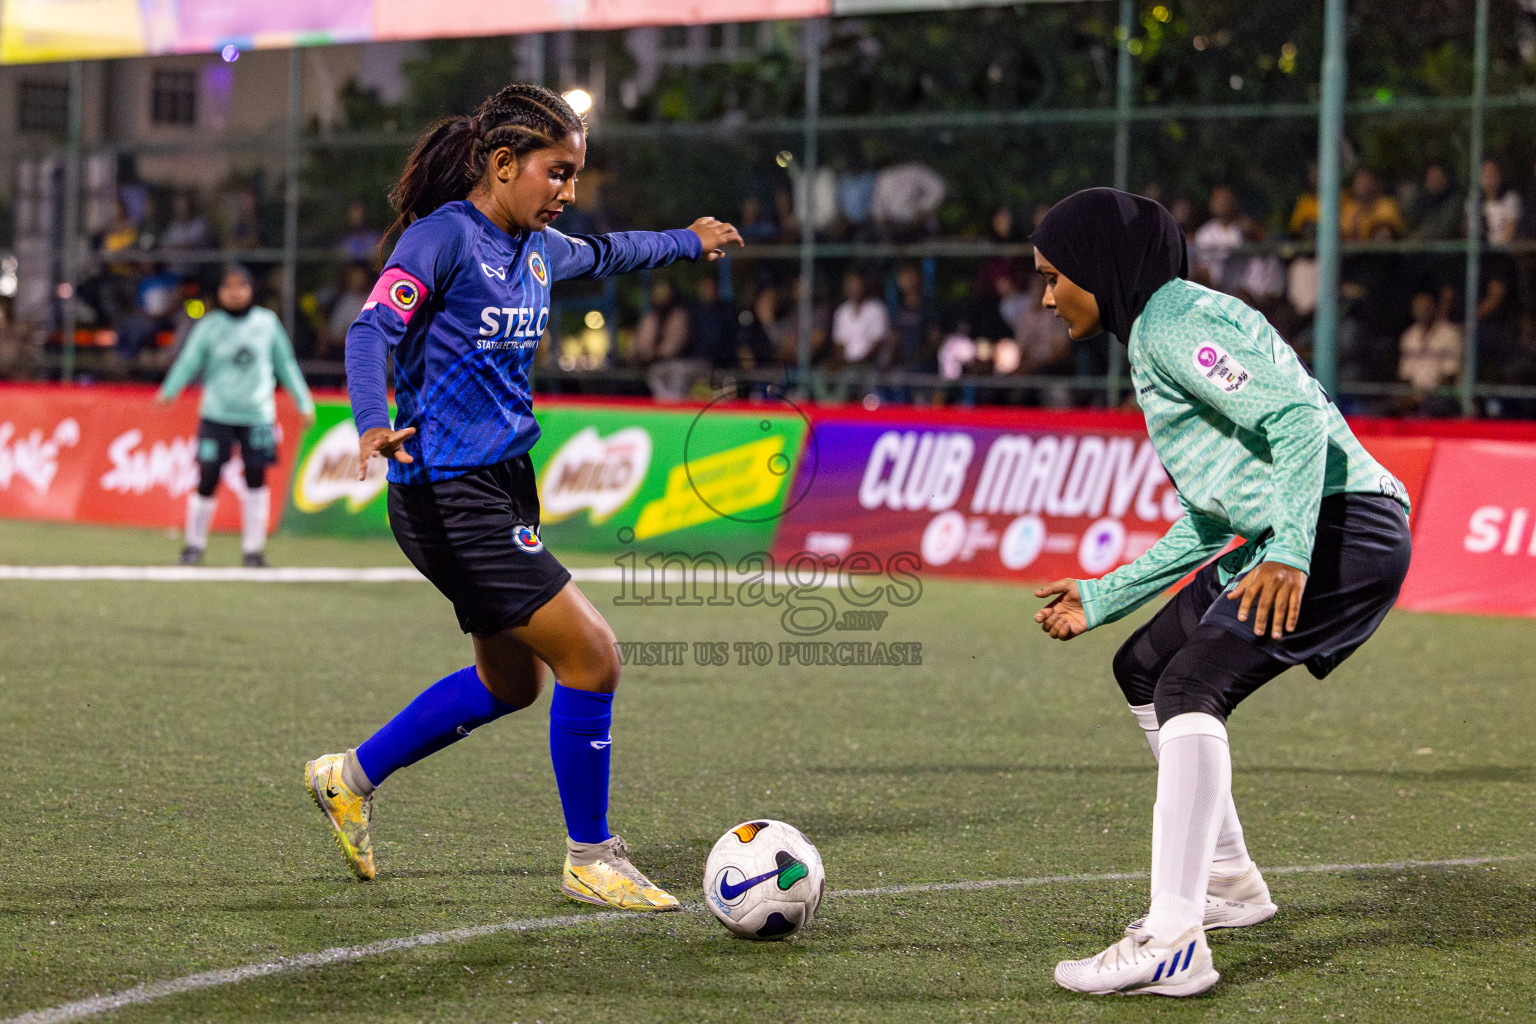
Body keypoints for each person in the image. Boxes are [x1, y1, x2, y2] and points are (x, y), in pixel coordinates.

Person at [309, 84, 743, 910]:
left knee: (513, 684)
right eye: (558, 172)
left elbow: (612, 251)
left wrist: (686, 241)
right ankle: (592, 855)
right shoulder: (442, 239)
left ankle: (348, 777)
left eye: (576, 174)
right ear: (503, 164)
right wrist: (372, 422)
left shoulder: (538, 250)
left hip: (505, 482)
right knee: (594, 656)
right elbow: (371, 331)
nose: (569, 192)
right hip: (444, 490)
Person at [1029, 189, 1412, 997]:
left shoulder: (1171, 323)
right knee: (1146, 666)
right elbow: (1210, 520)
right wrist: (1104, 596)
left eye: (1054, 275)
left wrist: (1296, 554)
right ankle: (1229, 885)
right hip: (1304, 529)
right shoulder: (1161, 328)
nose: (1046, 296)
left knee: (1189, 685)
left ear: (1100, 268)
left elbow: (1300, 422)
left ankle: (1173, 939)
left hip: (1343, 529)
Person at [157, 265, 316, 567]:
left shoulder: (267, 323)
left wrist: (303, 402)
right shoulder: (210, 325)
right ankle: (193, 545)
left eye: (240, 285)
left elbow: (286, 364)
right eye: (228, 286)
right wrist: (170, 390)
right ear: (220, 292)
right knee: (207, 477)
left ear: (250, 289)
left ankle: (253, 550)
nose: (234, 291)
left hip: (257, 416)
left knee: (256, 479)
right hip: (216, 414)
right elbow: (189, 361)